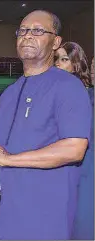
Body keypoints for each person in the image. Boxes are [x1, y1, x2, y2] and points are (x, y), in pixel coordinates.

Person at [0, 10, 91, 240]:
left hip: (47, 216)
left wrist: (8, 159)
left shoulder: (68, 87)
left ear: (56, 42)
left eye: (37, 30)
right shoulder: (9, 94)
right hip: (8, 212)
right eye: (23, 31)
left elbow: (75, 148)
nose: (27, 36)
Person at [55, 41, 94, 240]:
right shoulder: (57, 92)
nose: (58, 64)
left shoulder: (86, 95)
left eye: (64, 60)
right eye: (56, 60)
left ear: (76, 63)